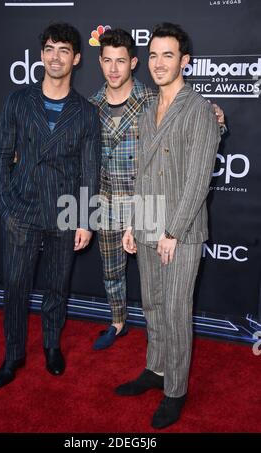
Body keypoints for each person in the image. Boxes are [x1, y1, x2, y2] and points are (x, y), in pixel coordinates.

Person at [89, 28, 225, 350]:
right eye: (107, 61)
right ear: (99, 63)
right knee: (114, 272)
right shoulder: (91, 104)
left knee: (167, 299)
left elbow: (191, 121)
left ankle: (169, 375)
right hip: (111, 200)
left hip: (153, 205)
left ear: (132, 63)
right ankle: (117, 323)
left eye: (120, 61)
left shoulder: (150, 98)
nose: (113, 68)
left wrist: (216, 119)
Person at [116, 22, 221, 429]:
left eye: (168, 55)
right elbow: (142, 173)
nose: (159, 63)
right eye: (154, 55)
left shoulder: (199, 110)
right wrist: (131, 224)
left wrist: (172, 232)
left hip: (181, 232)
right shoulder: (145, 108)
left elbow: (198, 180)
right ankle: (155, 369)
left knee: (176, 312)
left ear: (184, 61)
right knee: (153, 306)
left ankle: (175, 390)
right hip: (145, 226)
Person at [0, 23, 101, 388]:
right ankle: (13, 354)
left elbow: (90, 171)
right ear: (41, 55)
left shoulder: (86, 112)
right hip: (21, 210)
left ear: (76, 57)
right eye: (50, 49)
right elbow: (1, 155)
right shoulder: (18, 101)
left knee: (57, 286)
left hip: (65, 212)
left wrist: (86, 220)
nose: (56, 56)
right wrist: (5, 206)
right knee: (16, 286)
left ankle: (52, 346)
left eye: (64, 50)